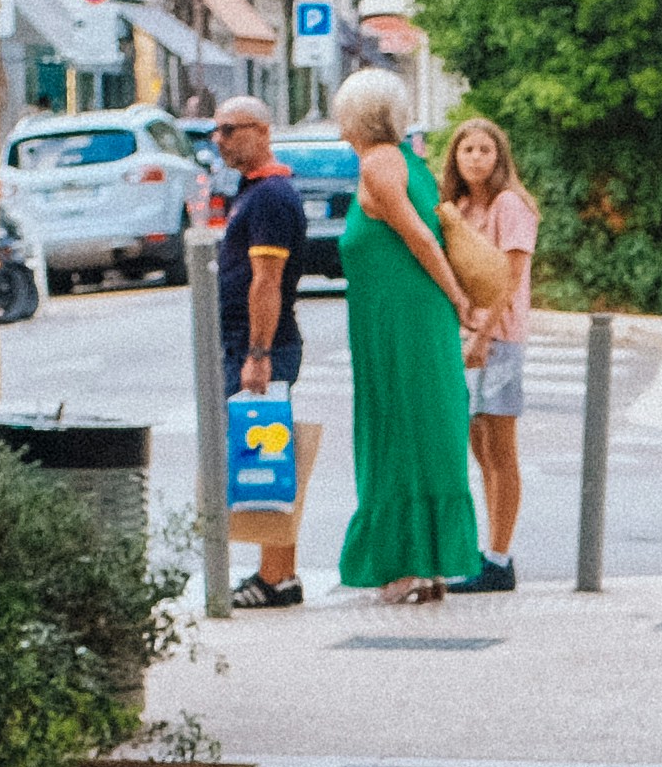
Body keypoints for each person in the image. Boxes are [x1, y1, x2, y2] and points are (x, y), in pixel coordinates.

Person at [329, 67, 500, 600]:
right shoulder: (409, 161)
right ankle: (429, 563)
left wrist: (457, 299)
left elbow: (423, 240)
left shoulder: (379, 164)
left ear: (356, 116)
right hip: (403, 316)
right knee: (425, 424)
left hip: (403, 319)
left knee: (399, 425)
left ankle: (406, 565)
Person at [208, 95, 313, 607]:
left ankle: (276, 577)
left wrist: (257, 352)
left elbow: (266, 282)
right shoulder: (254, 192)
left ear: (262, 131)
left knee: (266, 463)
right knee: (263, 458)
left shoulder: (270, 195)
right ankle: (276, 574)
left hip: (261, 348)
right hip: (250, 345)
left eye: (231, 130)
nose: (220, 140)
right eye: (218, 131)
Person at [443, 114, 540, 572]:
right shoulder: (458, 209)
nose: (477, 159)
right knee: (477, 445)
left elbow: (510, 279)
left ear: (499, 156)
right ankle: (485, 547)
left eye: (485, 150)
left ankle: (500, 555)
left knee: (500, 446)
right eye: (468, 150)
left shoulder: (510, 206)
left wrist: (482, 337)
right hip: (462, 336)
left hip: (498, 339)